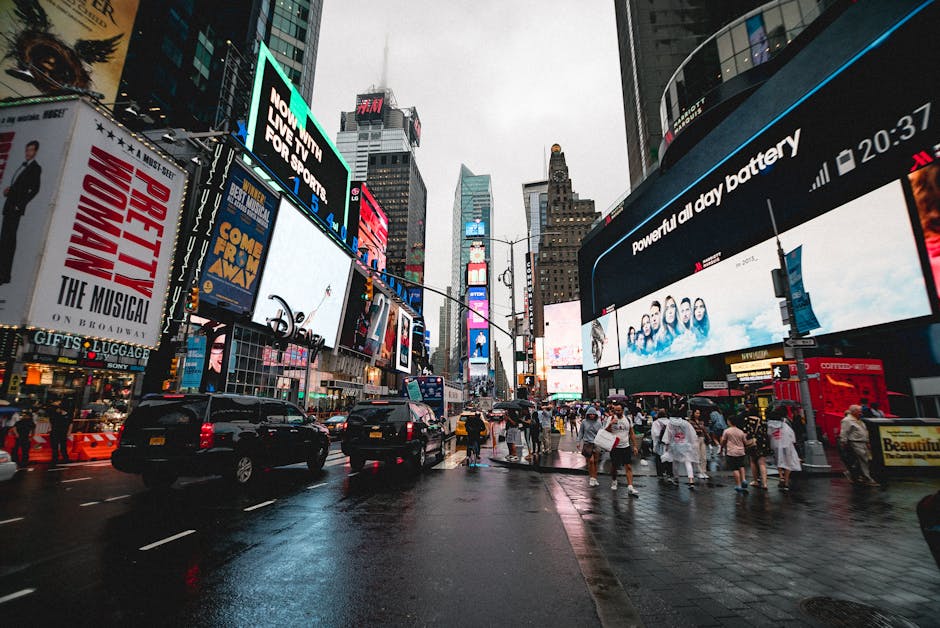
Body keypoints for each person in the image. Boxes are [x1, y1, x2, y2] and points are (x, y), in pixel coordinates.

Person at [0, 140, 41, 285]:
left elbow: (35, 189)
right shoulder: (23, 167)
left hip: (15, 208)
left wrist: (20, 204)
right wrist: (10, 192)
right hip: (9, 206)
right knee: (4, 240)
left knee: (9, 241)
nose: (27, 153)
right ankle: (3, 273)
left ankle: (4, 275)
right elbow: (20, 187)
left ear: (35, 151)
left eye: (30, 150)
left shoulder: (35, 168)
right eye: (27, 150)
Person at [604, 403, 640, 496]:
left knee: (628, 466)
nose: (617, 412)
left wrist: (635, 446)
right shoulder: (610, 418)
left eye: (619, 410)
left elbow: (631, 433)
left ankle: (630, 486)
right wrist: (611, 424)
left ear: (623, 410)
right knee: (614, 466)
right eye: (615, 410)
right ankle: (614, 480)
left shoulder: (628, 419)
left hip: (626, 446)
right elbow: (606, 431)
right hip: (615, 446)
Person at [839, 405, 879, 486]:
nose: (861, 412)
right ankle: (867, 479)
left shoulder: (858, 420)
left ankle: (852, 474)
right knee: (864, 460)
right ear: (853, 412)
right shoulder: (847, 421)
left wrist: (867, 442)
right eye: (859, 411)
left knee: (863, 460)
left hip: (862, 442)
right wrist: (843, 442)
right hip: (855, 442)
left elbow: (864, 431)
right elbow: (844, 432)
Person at [662, 410, 699, 487]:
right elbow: (691, 434)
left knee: (675, 462)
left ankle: (676, 478)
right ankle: (691, 480)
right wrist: (693, 443)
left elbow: (668, 436)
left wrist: (667, 445)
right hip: (686, 445)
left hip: (675, 445)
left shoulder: (670, 424)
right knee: (688, 462)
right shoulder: (686, 423)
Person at [767, 408, 801, 491]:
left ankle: (781, 476)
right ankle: (786, 482)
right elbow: (792, 436)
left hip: (775, 444)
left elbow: (769, 434)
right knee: (788, 462)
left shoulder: (770, 425)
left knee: (778, 461)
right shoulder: (785, 425)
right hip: (787, 444)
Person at [742, 403, 771, 490]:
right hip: (762, 442)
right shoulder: (762, 421)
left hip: (752, 442)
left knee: (753, 461)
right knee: (762, 463)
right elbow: (766, 432)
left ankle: (755, 480)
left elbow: (745, 432)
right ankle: (765, 483)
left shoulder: (747, 420)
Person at [721, 416, 750, 492]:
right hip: (741, 451)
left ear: (729, 422)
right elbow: (745, 442)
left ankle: (738, 485)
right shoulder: (740, 431)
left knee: (735, 468)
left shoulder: (727, 431)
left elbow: (723, 441)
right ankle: (743, 479)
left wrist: (721, 448)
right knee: (741, 466)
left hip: (731, 452)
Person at [578, 406, 603, 487]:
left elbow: (601, 433)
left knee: (595, 462)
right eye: (590, 414)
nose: (591, 415)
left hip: (596, 443)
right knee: (591, 461)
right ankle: (591, 478)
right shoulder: (584, 422)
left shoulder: (598, 423)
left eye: (593, 414)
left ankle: (595, 478)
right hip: (587, 443)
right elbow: (581, 432)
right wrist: (578, 441)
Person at [48, 400, 72, 466]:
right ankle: (55, 459)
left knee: (63, 446)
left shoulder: (68, 415)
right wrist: (50, 428)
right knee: (54, 446)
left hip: (63, 432)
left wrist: (69, 432)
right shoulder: (55, 414)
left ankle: (65, 458)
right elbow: (51, 421)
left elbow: (70, 424)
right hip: (55, 431)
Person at [689, 408, 710, 480]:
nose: (698, 414)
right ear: (693, 413)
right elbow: (691, 431)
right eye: (696, 413)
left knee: (703, 456)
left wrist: (707, 437)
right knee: (697, 455)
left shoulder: (701, 421)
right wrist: (699, 430)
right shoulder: (691, 422)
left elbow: (704, 431)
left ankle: (703, 471)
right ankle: (699, 471)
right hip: (695, 439)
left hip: (702, 438)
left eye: (699, 413)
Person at [651, 409, 670, 478]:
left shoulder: (656, 423)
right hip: (668, 444)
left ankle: (660, 473)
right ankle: (669, 472)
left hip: (659, 443)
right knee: (669, 458)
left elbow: (655, 434)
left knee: (659, 458)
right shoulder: (670, 422)